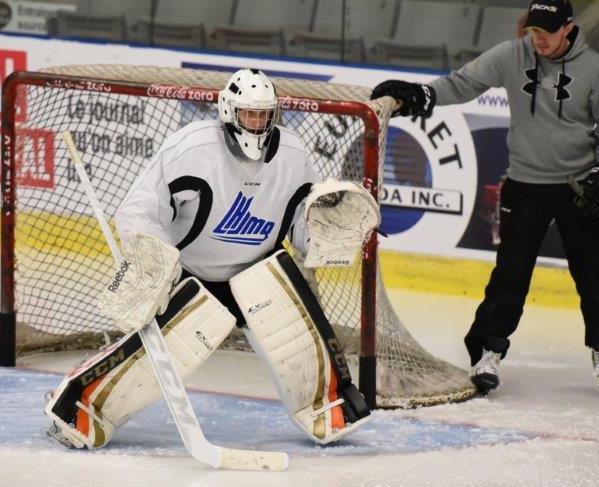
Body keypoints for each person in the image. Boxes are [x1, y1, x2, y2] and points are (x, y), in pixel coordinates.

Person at [43, 68, 381, 449]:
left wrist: (326, 231)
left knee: (301, 346)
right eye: (248, 114)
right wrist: (154, 268)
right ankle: (80, 406)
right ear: (228, 111)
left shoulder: (293, 155)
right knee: (154, 362)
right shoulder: (191, 149)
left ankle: (329, 407)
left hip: (261, 270)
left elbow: (301, 231)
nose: (256, 124)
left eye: (264, 115)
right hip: (194, 275)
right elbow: (139, 210)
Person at [371, 0, 599, 396]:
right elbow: (462, 84)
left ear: (568, 29)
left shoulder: (595, 69)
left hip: (578, 187)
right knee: (510, 275)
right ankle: (487, 352)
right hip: (525, 184)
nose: (538, 39)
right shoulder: (512, 55)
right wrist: (420, 96)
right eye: (533, 31)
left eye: (547, 33)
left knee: (595, 275)